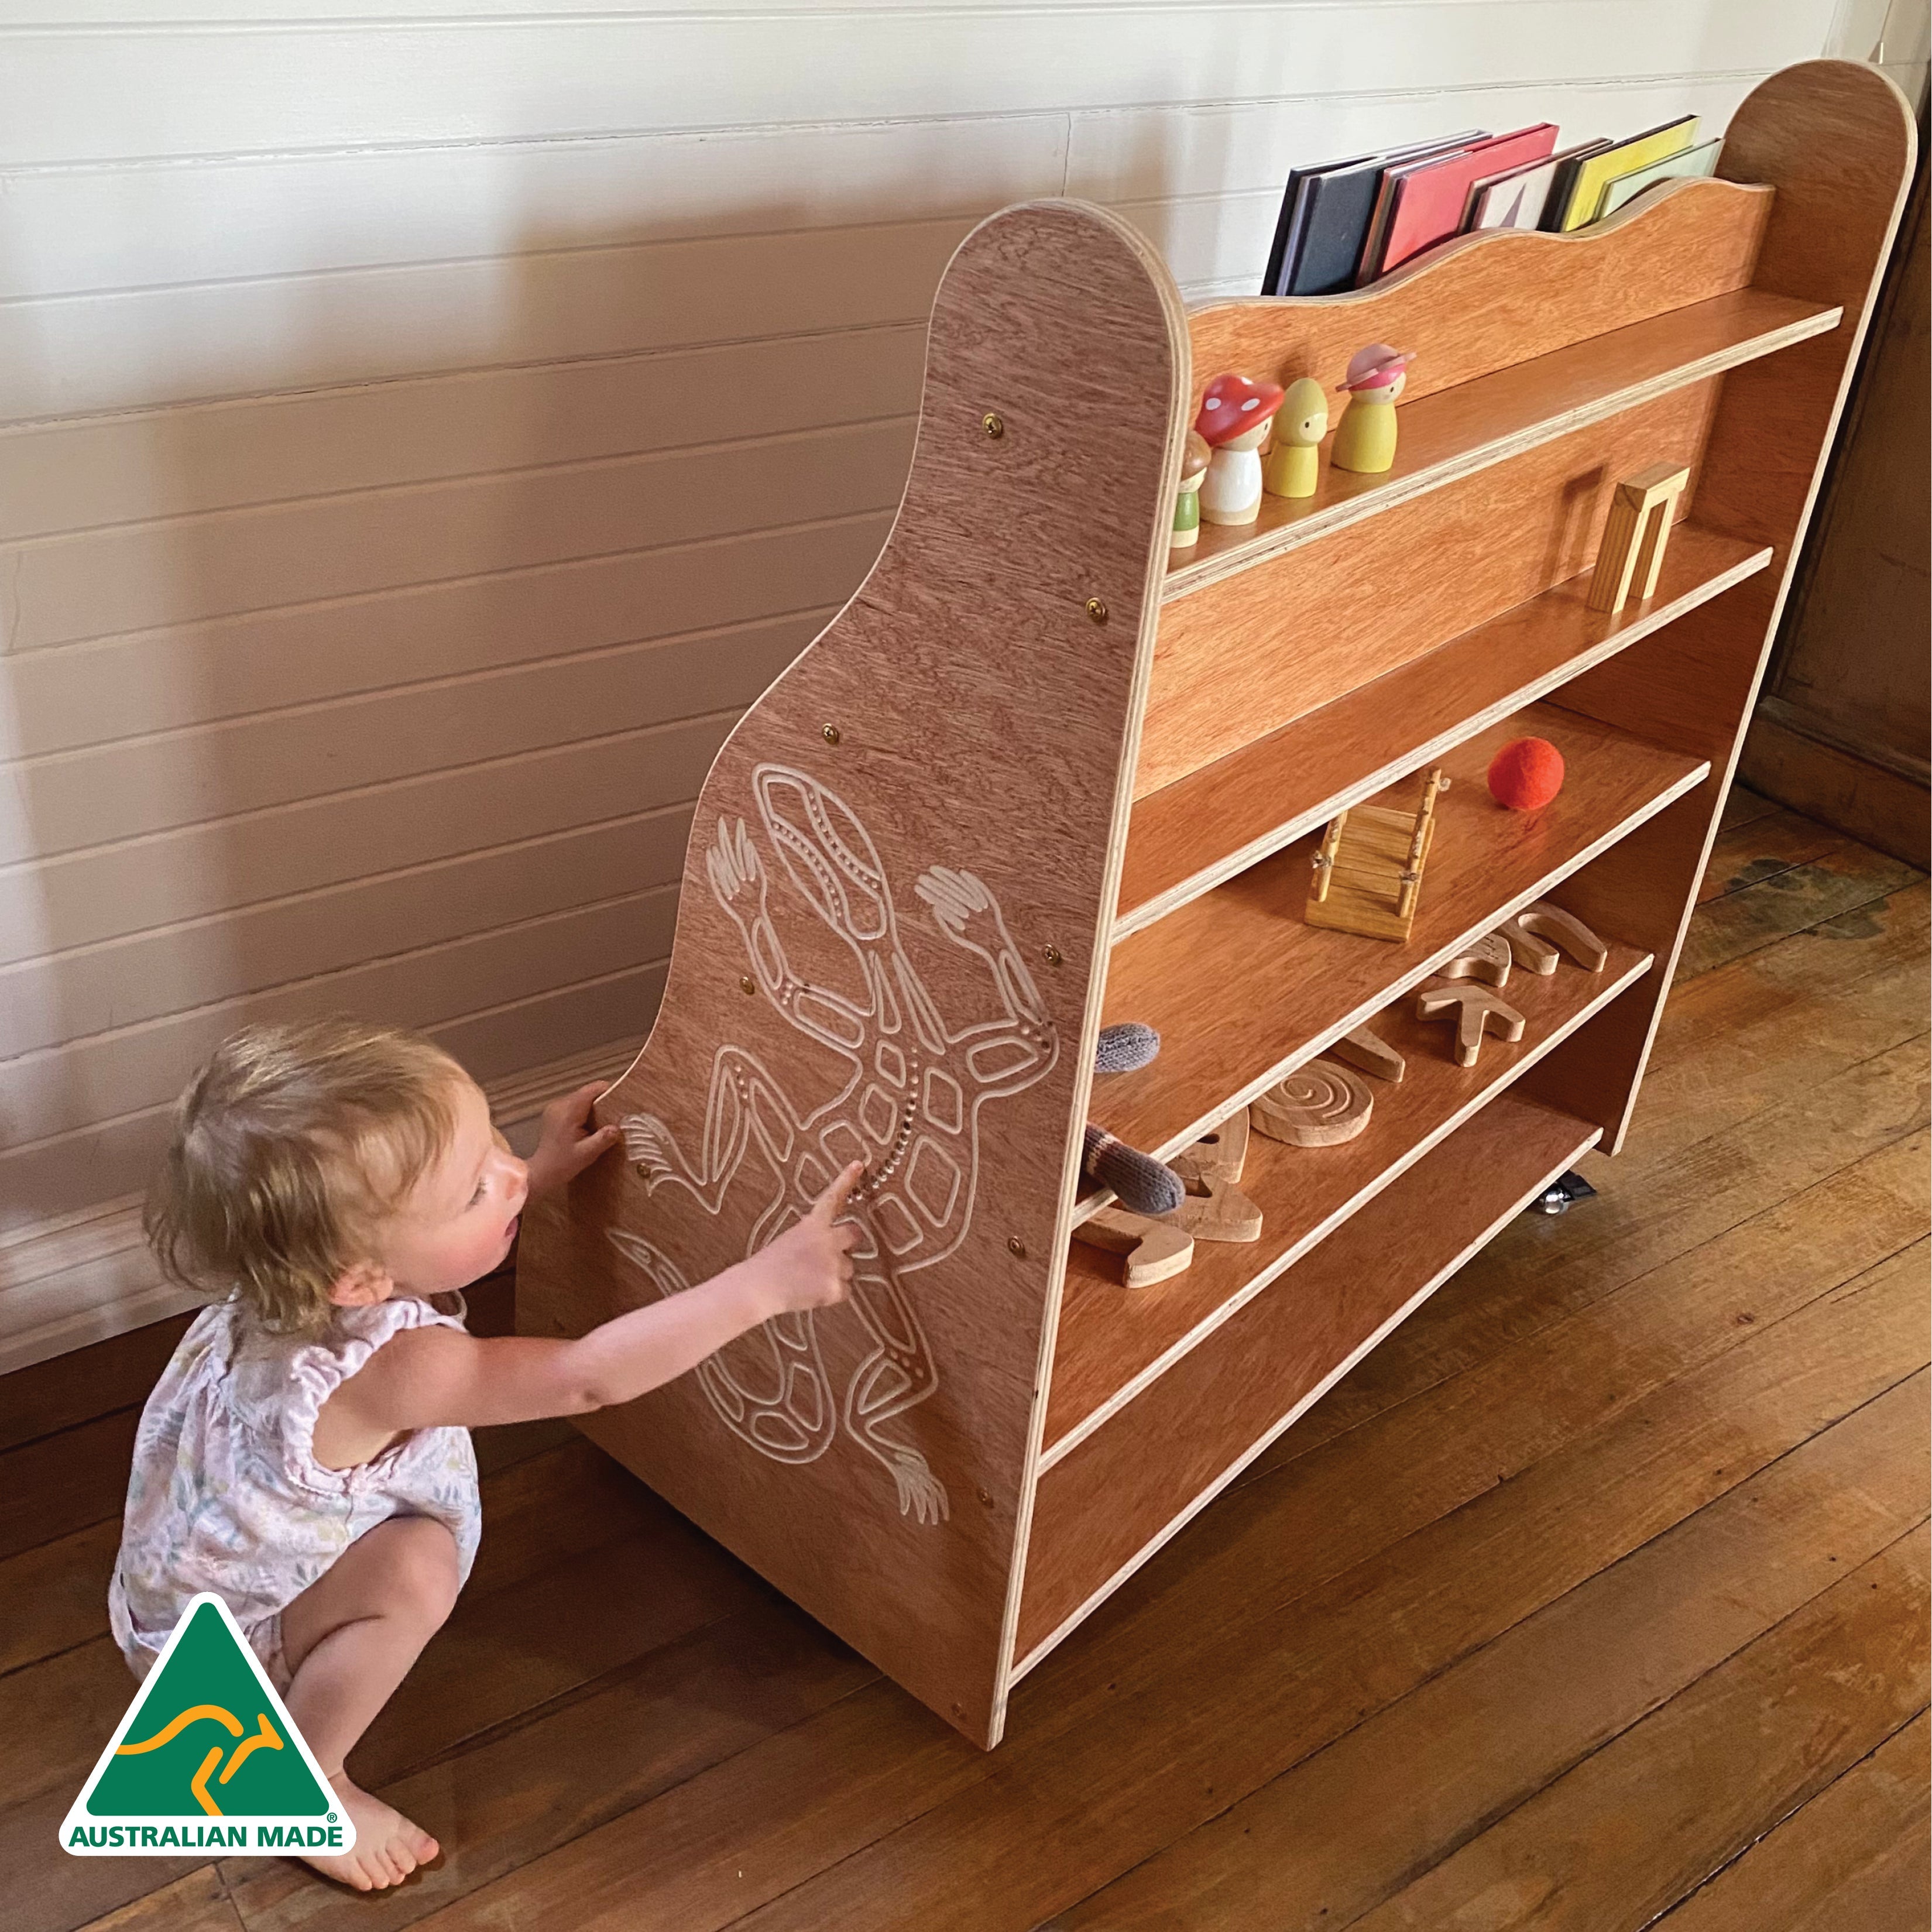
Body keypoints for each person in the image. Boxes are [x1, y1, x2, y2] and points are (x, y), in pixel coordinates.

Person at [111, 1015, 860, 1892]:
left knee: (407, 1551)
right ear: (360, 1283)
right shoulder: (400, 1367)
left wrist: (528, 1179)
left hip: (170, 1590)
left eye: (494, 1146)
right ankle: (304, 1778)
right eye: (476, 1189)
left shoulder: (290, 1271)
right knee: (418, 1571)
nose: (506, 1173)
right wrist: (762, 1284)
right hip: (227, 1668)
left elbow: (415, 1242)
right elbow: (587, 1378)